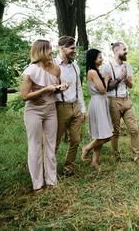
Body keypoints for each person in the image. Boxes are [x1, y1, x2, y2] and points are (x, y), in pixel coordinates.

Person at [21, 39, 69, 192]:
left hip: (50, 109)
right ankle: (37, 184)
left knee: (51, 144)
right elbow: (24, 96)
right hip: (33, 110)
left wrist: (62, 88)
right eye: (49, 49)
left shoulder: (56, 69)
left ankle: (51, 180)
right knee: (35, 145)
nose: (52, 52)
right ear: (41, 51)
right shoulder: (30, 70)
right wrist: (44, 90)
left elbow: (55, 88)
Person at [101, 42, 139, 162]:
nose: (126, 51)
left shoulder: (128, 65)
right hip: (114, 101)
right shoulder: (107, 66)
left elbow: (131, 85)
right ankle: (116, 157)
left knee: (134, 129)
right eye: (124, 49)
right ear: (116, 51)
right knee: (115, 131)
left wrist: (126, 79)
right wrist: (120, 78)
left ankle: (137, 156)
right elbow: (106, 87)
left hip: (126, 100)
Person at [54, 36, 86, 177]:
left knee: (75, 140)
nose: (75, 51)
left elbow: (79, 88)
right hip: (60, 107)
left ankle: (68, 169)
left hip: (75, 106)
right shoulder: (52, 65)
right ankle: (50, 171)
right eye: (72, 48)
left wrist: (83, 109)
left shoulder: (75, 66)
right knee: (55, 141)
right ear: (62, 48)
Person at [81, 49, 113, 169]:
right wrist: (106, 79)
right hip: (98, 102)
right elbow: (103, 90)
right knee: (107, 136)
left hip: (101, 101)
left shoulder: (96, 71)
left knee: (101, 134)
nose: (102, 59)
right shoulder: (92, 72)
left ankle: (94, 162)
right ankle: (87, 148)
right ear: (94, 59)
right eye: (100, 57)